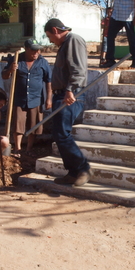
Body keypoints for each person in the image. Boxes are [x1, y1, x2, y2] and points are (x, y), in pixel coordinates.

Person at [44, 18, 91, 186]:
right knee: (59, 134)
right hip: (62, 94)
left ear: (55, 30)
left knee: (62, 134)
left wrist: (71, 89)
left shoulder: (73, 40)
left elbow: (78, 68)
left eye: (50, 36)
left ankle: (82, 168)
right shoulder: (65, 44)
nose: (50, 40)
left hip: (69, 94)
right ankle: (73, 172)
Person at [1, 39, 52, 157]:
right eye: (33, 50)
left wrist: (49, 98)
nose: (36, 52)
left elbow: (49, 81)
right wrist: (10, 69)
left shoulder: (42, 62)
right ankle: (17, 149)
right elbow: (4, 76)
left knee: (33, 125)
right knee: (18, 124)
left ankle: (29, 149)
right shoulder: (17, 59)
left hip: (36, 98)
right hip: (19, 97)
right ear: (27, 49)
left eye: (38, 50)